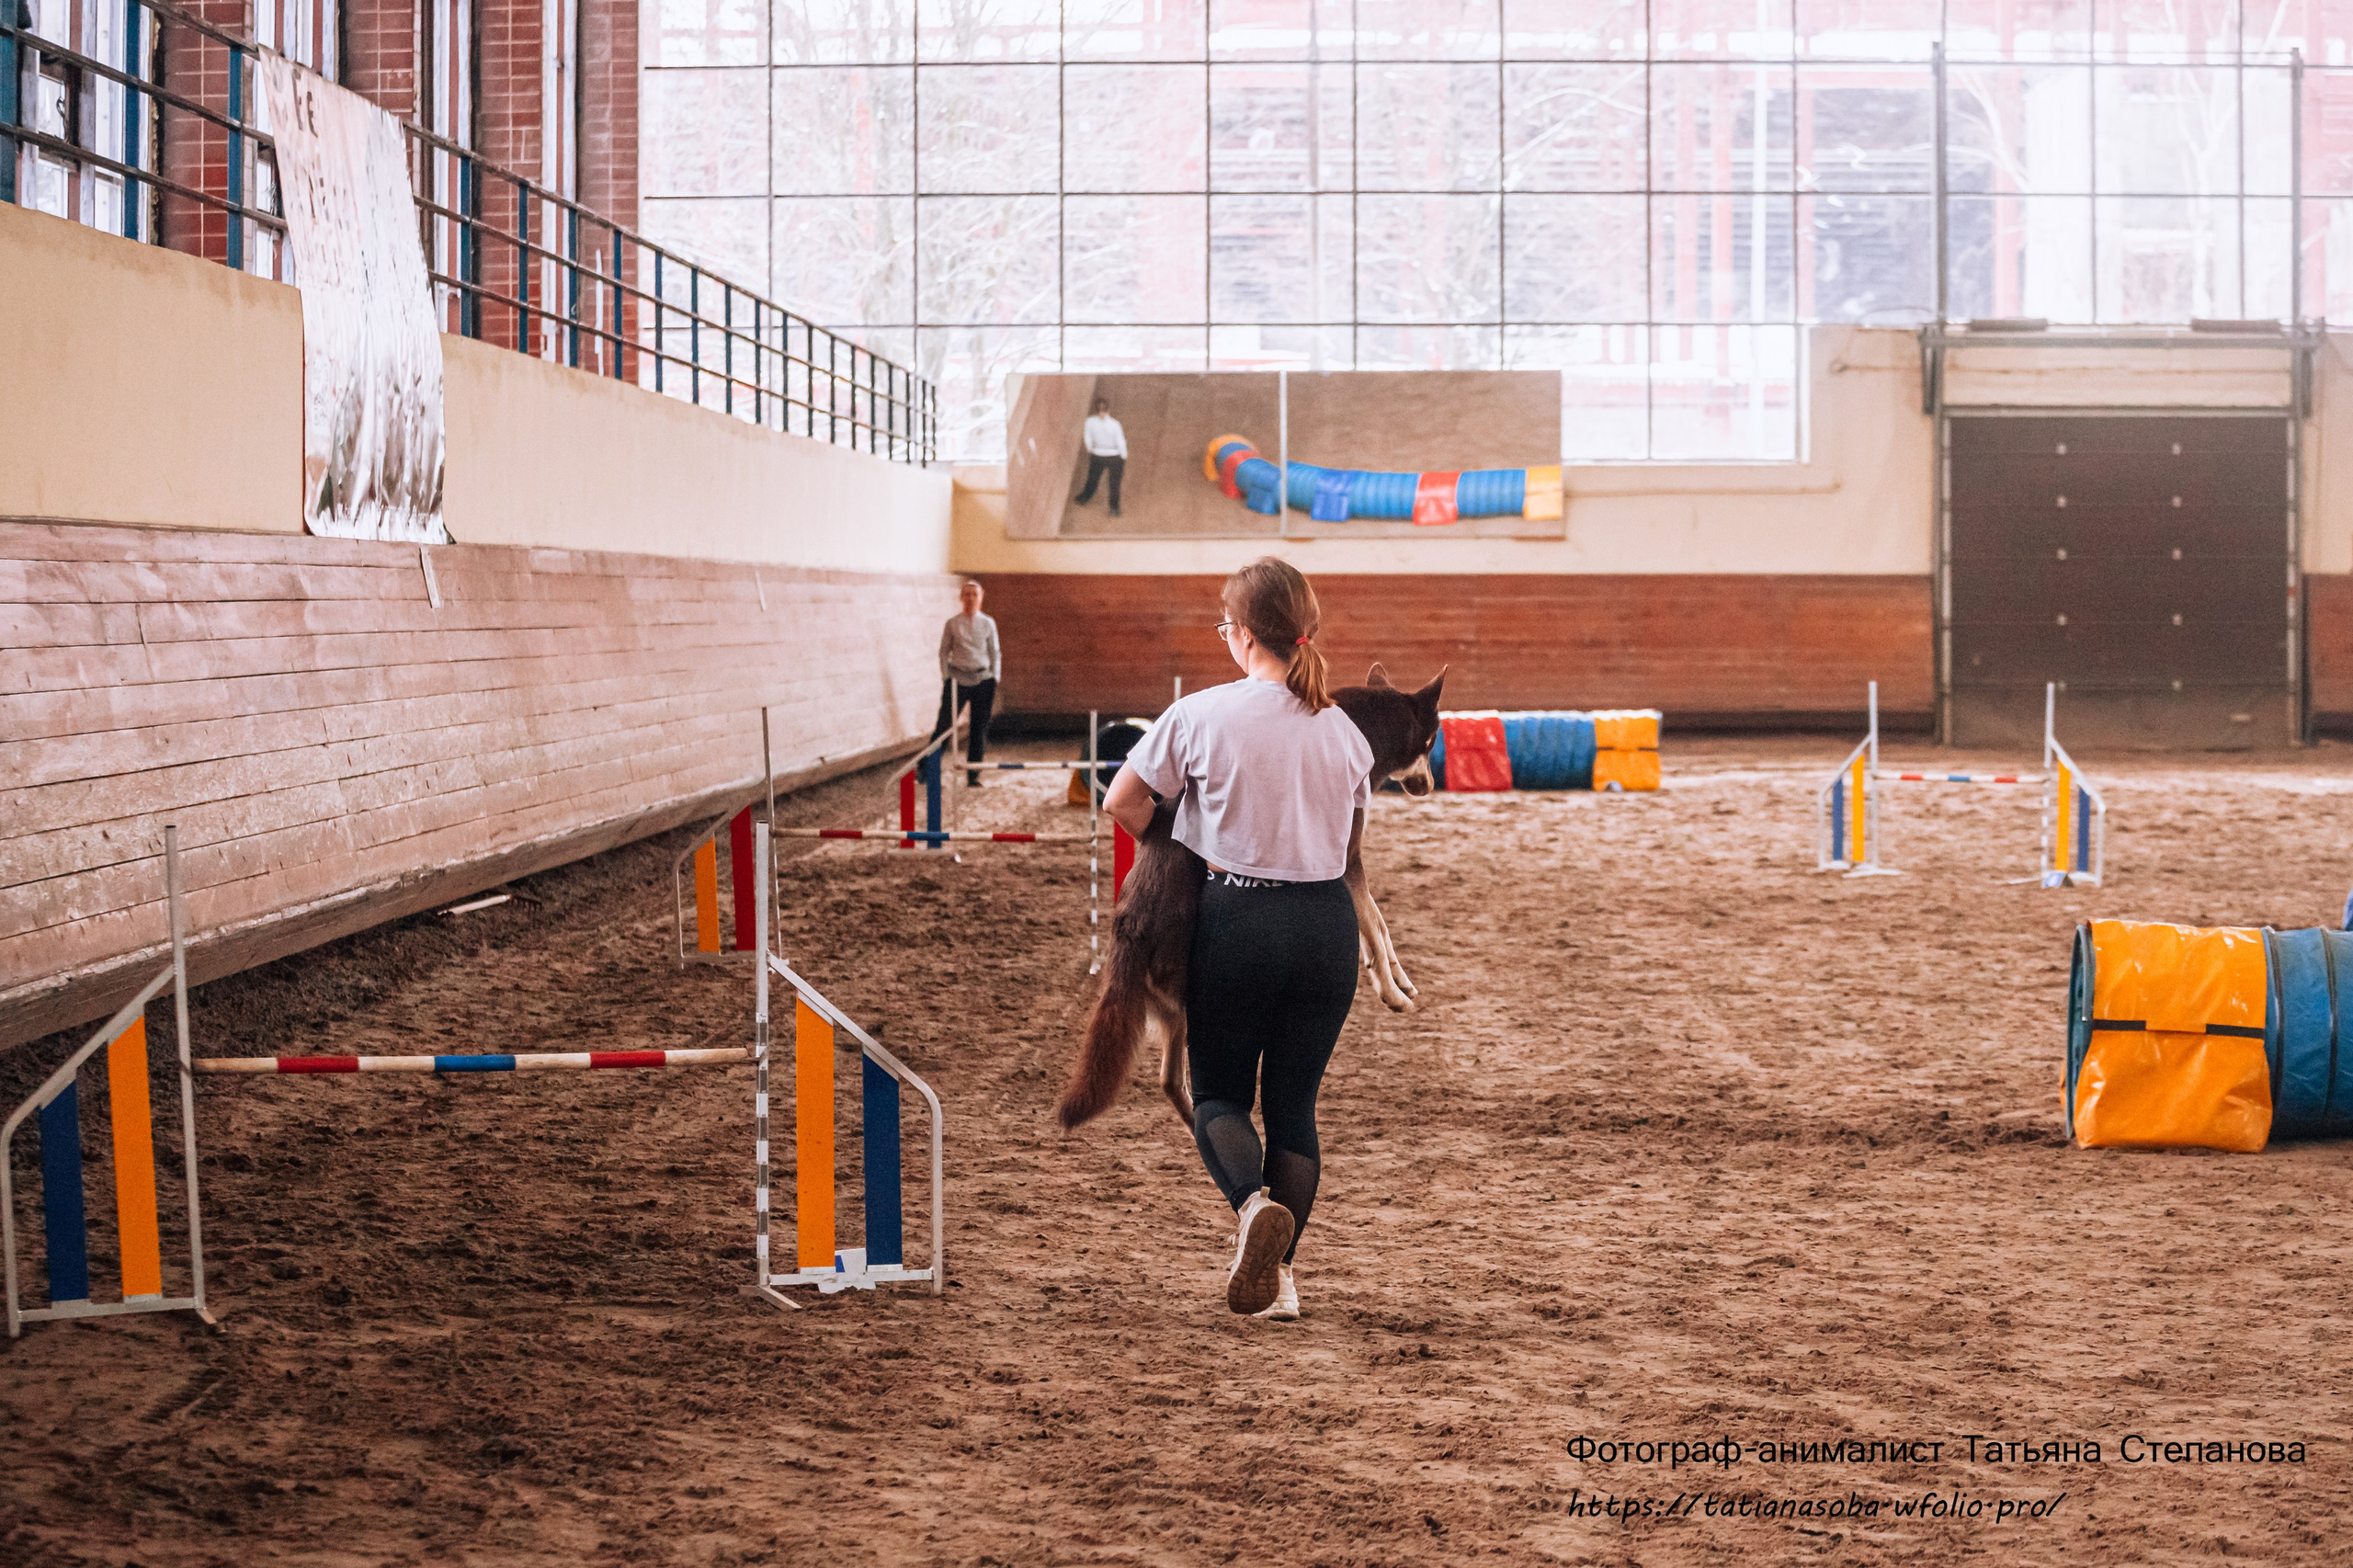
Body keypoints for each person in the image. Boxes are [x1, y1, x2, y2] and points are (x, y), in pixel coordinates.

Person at [1102, 558, 1372, 1320]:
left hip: (1238, 920)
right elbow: (1351, 848)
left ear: (1244, 635)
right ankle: (1280, 1281)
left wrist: (1183, 835)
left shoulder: (1199, 714)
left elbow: (1122, 804)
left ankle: (1252, 1210)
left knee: (1219, 1093)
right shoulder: (1345, 732)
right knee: (1296, 1108)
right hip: (1325, 929)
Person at [937, 580, 1000, 788]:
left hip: (983, 679)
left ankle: (973, 774)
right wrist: (947, 676)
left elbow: (994, 651)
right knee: (945, 724)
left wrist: (994, 677)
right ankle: (927, 769)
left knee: (979, 728)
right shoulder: (953, 623)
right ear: (961, 598)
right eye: (967, 594)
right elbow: (944, 650)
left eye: (975, 594)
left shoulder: (988, 623)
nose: (971, 598)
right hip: (958, 679)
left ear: (981, 598)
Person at [1076, 397, 1127, 517]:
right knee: (1114, 484)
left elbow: (1087, 438)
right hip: (1114, 456)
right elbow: (1120, 442)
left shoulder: (1089, 422)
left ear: (1096, 410)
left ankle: (1084, 498)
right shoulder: (1115, 425)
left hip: (1097, 455)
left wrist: (1091, 450)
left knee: (1092, 478)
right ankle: (1114, 510)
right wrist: (1123, 455)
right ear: (1108, 409)